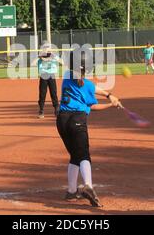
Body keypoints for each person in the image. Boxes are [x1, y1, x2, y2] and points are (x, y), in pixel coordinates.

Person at [56, 48, 122, 208]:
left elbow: (93, 87)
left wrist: (108, 94)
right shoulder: (87, 85)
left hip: (61, 121)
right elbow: (92, 105)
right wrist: (110, 105)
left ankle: (72, 191)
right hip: (77, 120)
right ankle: (88, 186)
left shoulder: (66, 76)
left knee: (75, 155)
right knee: (84, 155)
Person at [33, 43, 63, 119]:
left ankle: (56, 109)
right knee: (42, 94)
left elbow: (62, 62)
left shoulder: (53, 56)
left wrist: (53, 57)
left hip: (51, 76)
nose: (47, 50)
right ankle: (41, 110)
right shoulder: (40, 57)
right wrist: (39, 57)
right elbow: (32, 64)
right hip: (43, 76)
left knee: (53, 93)